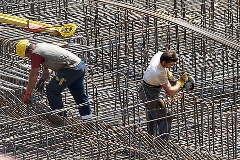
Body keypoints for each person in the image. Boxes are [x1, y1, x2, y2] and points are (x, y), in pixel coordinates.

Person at [15, 39, 92, 120]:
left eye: (27, 56)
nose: (29, 58)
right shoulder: (42, 46)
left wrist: (28, 93)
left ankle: (60, 117)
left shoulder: (35, 54)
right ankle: (87, 117)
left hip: (70, 70)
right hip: (79, 66)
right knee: (78, 92)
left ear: (30, 50)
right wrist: (42, 79)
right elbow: (47, 69)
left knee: (52, 90)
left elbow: (33, 75)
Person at [138, 50, 188, 141]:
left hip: (143, 90)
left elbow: (164, 63)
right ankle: (162, 143)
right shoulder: (159, 72)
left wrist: (168, 72)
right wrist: (180, 83)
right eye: (170, 65)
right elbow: (170, 92)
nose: (171, 66)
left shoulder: (159, 55)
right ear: (164, 62)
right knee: (166, 117)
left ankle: (151, 137)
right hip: (149, 95)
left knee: (152, 113)